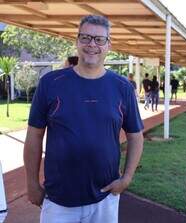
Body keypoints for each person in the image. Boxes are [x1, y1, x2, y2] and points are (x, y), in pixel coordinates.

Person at [24, 15, 144, 223]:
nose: (92, 45)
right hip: (58, 201)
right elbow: (34, 137)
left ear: (109, 45)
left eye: (99, 39)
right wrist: (32, 183)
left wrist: (127, 178)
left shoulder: (122, 87)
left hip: (105, 198)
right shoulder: (50, 83)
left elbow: (136, 136)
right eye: (86, 38)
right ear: (77, 41)